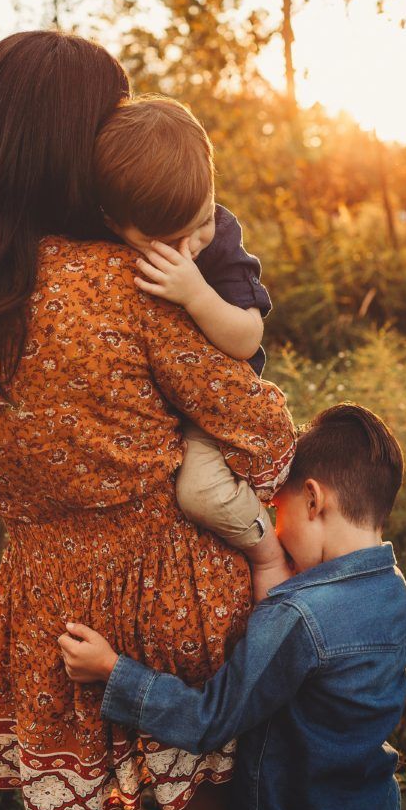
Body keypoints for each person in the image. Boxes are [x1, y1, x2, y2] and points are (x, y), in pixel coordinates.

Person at [0, 31, 296, 810]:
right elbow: (261, 428)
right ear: (72, 147)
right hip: (173, 578)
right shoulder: (117, 280)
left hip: (46, 593)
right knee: (213, 805)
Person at [59, 404, 406, 810]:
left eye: (276, 511)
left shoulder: (298, 617)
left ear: (312, 498)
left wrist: (111, 670)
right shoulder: (396, 591)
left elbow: (209, 720)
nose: (275, 530)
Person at [94, 96, 285, 603]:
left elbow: (248, 338)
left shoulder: (220, 236)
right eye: (169, 240)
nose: (192, 245)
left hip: (215, 411)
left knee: (198, 494)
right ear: (115, 226)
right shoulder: (105, 245)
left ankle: (267, 551)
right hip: (153, 410)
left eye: (199, 221)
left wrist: (197, 293)